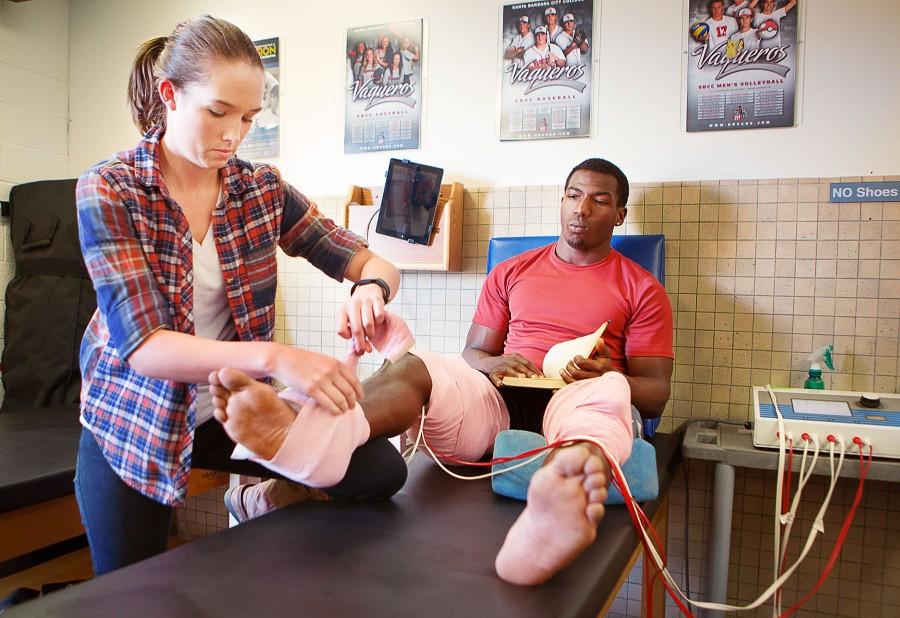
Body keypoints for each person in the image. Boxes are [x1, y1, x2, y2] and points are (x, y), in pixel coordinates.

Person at [212, 158, 674, 586]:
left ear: (619, 214)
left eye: (599, 200)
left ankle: (559, 501)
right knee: (422, 365)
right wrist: (494, 363)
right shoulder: (513, 272)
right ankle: (309, 429)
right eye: (573, 195)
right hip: (499, 404)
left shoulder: (642, 288)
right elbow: (473, 354)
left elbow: (654, 395)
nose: (582, 208)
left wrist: (606, 371)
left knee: (606, 392)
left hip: (576, 401)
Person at [74, 15, 407, 575]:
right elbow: (147, 349)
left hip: (231, 410)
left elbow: (372, 262)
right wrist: (279, 358)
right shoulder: (110, 188)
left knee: (379, 473)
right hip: (137, 416)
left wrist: (369, 289)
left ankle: (260, 500)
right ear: (169, 95)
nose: (233, 135)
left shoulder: (260, 189)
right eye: (218, 112)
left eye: (249, 118)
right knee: (127, 599)